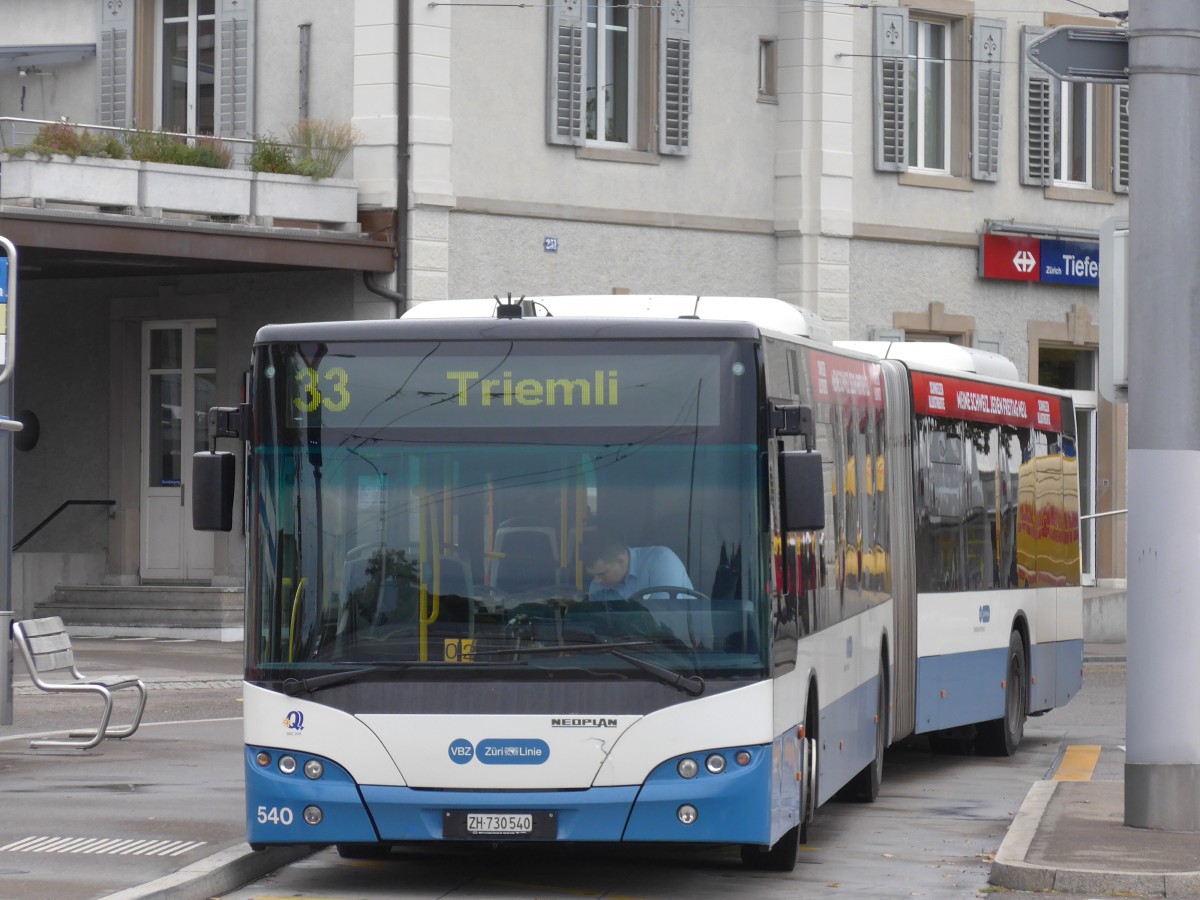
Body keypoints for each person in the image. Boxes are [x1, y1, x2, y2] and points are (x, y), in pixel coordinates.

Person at [581, 530, 692, 601]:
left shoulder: (662, 561)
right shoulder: (597, 586)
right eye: (593, 575)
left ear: (620, 562)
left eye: (602, 574)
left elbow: (665, 618)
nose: (597, 580)